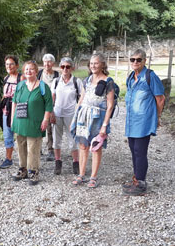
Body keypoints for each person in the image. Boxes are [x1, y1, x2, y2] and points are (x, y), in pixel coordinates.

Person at [122, 49, 165, 196]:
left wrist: (157, 118)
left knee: (140, 151)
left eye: (138, 60)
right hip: (131, 121)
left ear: (144, 61)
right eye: (132, 59)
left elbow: (160, 99)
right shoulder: (131, 77)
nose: (135, 62)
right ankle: (136, 179)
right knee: (133, 149)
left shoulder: (150, 76)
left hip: (144, 121)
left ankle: (141, 183)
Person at [70, 53, 115, 188]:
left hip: (98, 118)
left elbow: (110, 105)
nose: (93, 66)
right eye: (91, 63)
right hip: (83, 116)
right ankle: (81, 175)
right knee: (83, 145)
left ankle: (93, 177)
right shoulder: (87, 80)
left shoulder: (108, 82)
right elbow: (81, 99)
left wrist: (104, 126)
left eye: (96, 63)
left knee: (95, 147)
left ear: (102, 64)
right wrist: (75, 117)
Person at [11, 61, 53, 185]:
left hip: (35, 122)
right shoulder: (20, 86)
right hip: (20, 122)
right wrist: (12, 119)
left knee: (33, 148)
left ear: (36, 71)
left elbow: (49, 105)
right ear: (24, 71)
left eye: (31, 69)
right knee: (21, 146)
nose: (29, 71)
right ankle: (22, 169)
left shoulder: (42, 86)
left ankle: (34, 171)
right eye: (26, 69)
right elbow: (14, 102)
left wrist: (45, 119)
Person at [50, 57, 84, 175]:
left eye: (68, 67)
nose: (65, 69)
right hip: (57, 113)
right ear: (60, 68)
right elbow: (51, 98)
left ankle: (76, 163)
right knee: (56, 139)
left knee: (73, 139)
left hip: (71, 115)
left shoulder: (76, 81)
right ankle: (58, 162)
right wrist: (51, 113)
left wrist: (78, 112)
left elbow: (82, 97)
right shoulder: (55, 81)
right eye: (63, 66)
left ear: (72, 68)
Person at [0, 55, 25, 169]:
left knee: (21, 135)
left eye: (11, 64)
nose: (9, 66)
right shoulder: (6, 78)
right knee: (7, 134)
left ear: (17, 65)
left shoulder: (21, 78)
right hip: (6, 109)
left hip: (19, 109)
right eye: (7, 64)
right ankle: (8, 158)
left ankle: (25, 159)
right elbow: (4, 94)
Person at [37, 53, 59, 162]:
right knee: (38, 125)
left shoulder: (57, 75)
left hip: (52, 104)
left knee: (50, 128)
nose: (47, 64)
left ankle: (51, 150)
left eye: (49, 62)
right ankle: (38, 148)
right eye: (45, 62)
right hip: (39, 103)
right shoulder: (39, 73)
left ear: (53, 63)